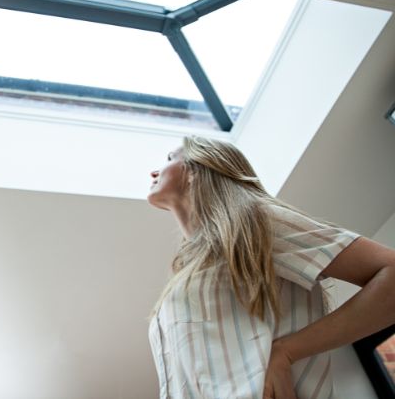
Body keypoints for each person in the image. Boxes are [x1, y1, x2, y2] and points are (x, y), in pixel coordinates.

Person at [146, 135, 395, 399]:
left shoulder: (252, 221)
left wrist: (287, 351)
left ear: (199, 167)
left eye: (170, 158)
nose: (154, 171)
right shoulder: (188, 270)